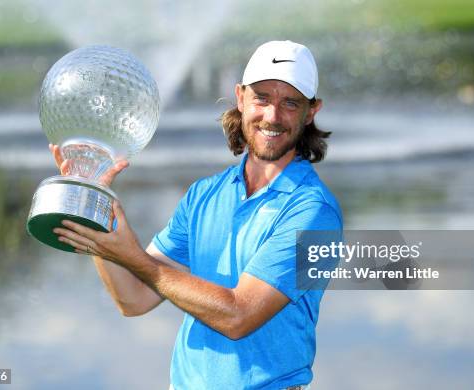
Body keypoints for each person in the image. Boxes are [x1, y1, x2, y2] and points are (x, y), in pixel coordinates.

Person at [52, 40, 343, 390]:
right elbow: (134, 298)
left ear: (311, 112)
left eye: (290, 103)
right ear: (240, 97)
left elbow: (239, 315)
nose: (272, 116)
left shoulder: (315, 213)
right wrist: (94, 200)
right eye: (262, 98)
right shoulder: (204, 195)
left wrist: (135, 258)